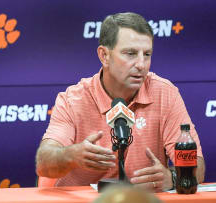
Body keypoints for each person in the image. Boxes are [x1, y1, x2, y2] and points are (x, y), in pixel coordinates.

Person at [35, 12, 205, 192]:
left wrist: (172, 177)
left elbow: (198, 167)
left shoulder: (165, 93)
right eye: (130, 53)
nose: (141, 64)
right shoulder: (73, 99)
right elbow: (44, 162)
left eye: (147, 54)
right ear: (104, 55)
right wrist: (72, 155)